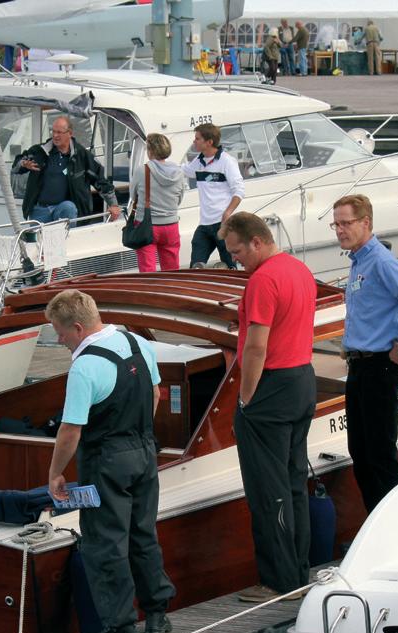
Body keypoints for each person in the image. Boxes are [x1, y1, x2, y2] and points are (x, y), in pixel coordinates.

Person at [46, 289, 176, 633]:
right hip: (144, 452)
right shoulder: (137, 342)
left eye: (60, 332)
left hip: (106, 461)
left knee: (106, 542)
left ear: (77, 328)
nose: (59, 340)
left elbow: (70, 430)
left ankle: (120, 629)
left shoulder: (84, 367)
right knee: (143, 534)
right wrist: (139, 437)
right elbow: (155, 394)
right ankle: (157, 615)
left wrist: (55, 472)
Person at [221, 212, 316, 603]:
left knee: (267, 489)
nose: (235, 260)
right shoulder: (299, 269)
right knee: (294, 483)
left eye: (237, 251)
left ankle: (279, 582)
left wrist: (245, 397)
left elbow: (256, 346)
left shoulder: (263, 280)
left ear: (256, 242)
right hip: (302, 379)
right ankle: (298, 572)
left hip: (272, 388)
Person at [333, 194, 398, 513]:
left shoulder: (381, 261)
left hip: (379, 367)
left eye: (346, 223)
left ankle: (391, 523)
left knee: (379, 454)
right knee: (360, 452)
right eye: (336, 224)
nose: (340, 230)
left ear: (366, 223)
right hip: (359, 366)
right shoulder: (359, 261)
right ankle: (375, 519)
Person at [13, 116, 121, 225]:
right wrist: (23, 164)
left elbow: (100, 179)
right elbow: (16, 165)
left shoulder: (82, 155)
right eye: (53, 131)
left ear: (70, 133)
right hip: (39, 211)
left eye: (59, 132)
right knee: (37, 237)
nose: (55, 135)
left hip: (65, 210)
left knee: (69, 207)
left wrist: (113, 205)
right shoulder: (39, 151)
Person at [181, 123, 244, 269]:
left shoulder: (227, 161)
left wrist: (227, 213)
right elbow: (185, 170)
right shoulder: (198, 161)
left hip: (223, 224)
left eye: (197, 139)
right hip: (204, 224)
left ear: (209, 142)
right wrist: (159, 165)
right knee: (195, 267)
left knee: (230, 267)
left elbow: (239, 190)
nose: (194, 141)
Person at [128, 132, 184, 272]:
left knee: (148, 272)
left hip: (146, 226)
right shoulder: (178, 172)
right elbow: (179, 198)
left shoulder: (142, 171)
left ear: (150, 151)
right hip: (171, 225)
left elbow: (133, 196)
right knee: (172, 270)